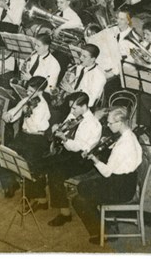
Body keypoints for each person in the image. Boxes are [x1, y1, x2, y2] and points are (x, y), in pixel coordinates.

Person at [73, 106, 142, 245]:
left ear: (120, 122)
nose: (108, 126)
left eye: (110, 123)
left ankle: (103, 232)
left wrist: (94, 159)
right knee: (83, 187)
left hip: (121, 187)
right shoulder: (130, 135)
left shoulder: (124, 145)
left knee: (78, 199)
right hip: (128, 181)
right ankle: (106, 222)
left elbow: (106, 172)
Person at [43, 92, 102, 227]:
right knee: (43, 161)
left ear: (84, 106)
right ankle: (41, 200)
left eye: (74, 108)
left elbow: (78, 147)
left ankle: (65, 214)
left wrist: (63, 138)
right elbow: (65, 127)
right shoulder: (74, 115)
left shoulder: (92, 124)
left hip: (82, 159)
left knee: (55, 172)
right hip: (69, 152)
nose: (71, 111)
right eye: (71, 107)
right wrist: (57, 128)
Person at [0, 76, 51, 199]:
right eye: (28, 90)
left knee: (28, 164)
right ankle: (11, 184)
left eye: (31, 91)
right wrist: (8, 114)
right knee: (1, 155)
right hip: (24, 136)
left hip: (37, 139)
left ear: (40, 91)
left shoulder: (42, 106)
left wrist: (27, 112)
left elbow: (35, 127)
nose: (28, 94)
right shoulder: (28, 100)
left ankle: (35, 196)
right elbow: (15, 112)